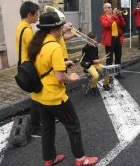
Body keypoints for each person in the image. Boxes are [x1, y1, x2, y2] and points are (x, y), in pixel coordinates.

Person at [28, 12, 98, 166]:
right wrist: (71, 78)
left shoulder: (36, 44)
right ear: (55, 29)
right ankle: (80, 159)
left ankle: (49, 159)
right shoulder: (54, 46)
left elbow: (43, 66)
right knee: (73, 126)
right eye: (60, 27)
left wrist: (63, 65)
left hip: (39, 96)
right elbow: (60, 77)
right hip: (55, 97)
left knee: (47, 129)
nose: (61, 30)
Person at [15, 1, 42, 138]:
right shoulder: (27, 30)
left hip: (23, 64)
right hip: (30, 66)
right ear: (29, 14)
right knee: (36, 96)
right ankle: (35, 127)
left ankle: (37, 123)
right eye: (36, 14)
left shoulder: (20, 26)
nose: (38, 17)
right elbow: (34, 49)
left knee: (36, 96)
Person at [100, 3, 126, 78]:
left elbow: (123, 24)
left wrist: (120, 16)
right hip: (109, 39)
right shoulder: (103, 17)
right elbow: (106, 25)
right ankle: (109, 75)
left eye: (111, 7)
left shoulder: (115, 16)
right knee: (109, 58)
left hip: (117, 38)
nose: (110, 8)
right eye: (108, 7)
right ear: (104, 9)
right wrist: (114, 16)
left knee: (118, 56)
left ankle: (118, 73)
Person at [81, 32, 111, 97]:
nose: (96, 41)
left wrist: (98, 60)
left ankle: (105, 84)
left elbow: (96, 56)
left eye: (96, 39)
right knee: (96, 75)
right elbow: (83, 60)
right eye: (94, 40)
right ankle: (93, 88)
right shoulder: (85, 48)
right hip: (88, 65)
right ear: (89, 40)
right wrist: (93, 61)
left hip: (95, 63)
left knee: (107, 70)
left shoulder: (95, 47)